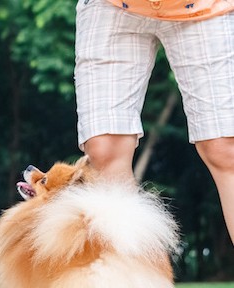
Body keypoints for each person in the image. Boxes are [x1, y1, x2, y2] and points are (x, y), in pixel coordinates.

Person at [74, 0, 234, 244]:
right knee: (104, 148)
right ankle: (129, 277)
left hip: (205, 6)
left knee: (225, 147)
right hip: (111, 6)